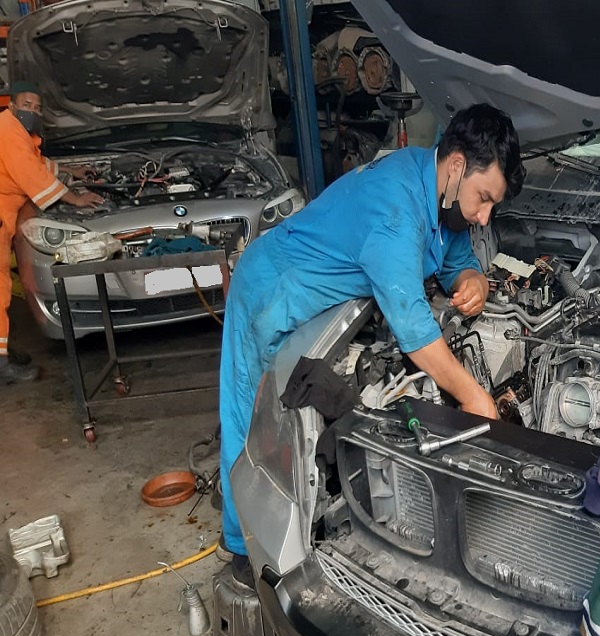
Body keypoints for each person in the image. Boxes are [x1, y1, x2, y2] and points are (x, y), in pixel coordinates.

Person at [218, 103, 524, 581]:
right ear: (457, 165)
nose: (484, 218)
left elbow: (456, 260)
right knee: (251, 416)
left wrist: (475, 281)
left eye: (491, 206)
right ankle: (241, 548)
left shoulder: (440, 196)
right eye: (483, 199)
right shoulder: (395, 206)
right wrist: (474, 397)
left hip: (320, 299)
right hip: (269, 291)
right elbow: (414, 329)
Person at [0, 81, 103, 382]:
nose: (32, 112)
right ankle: (1, 366)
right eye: (26, 106)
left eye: (37, 108)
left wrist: (72, 171)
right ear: (12, 105)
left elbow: (36, 161)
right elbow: (32, 174)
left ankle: (2, 352)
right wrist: (75, 198)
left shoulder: (14, 129)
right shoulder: (7, 130)